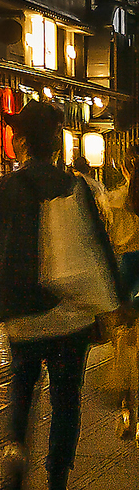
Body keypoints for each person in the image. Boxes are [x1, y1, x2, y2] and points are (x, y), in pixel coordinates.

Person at [0, 100, 120, 490]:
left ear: (20, 142)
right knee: (66, 397)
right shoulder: (76, 187)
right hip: (70, 313)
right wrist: (114, 300)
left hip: (22, 313)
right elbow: (97, 244)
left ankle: (15, 451)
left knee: (22, 386)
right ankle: (57, 484)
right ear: (56, 143)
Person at [105, 143, 139, 441]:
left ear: (126, 167)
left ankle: (127, 411)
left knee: (124, 346)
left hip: (126, 275)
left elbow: (108, 243)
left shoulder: (115, 201)